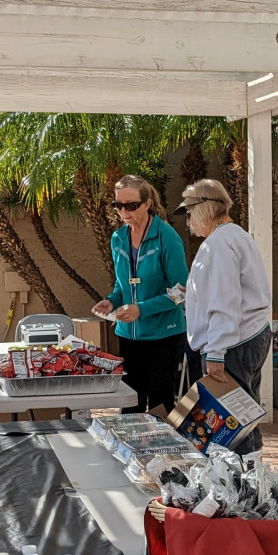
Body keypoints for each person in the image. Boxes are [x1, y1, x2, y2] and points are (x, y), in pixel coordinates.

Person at [176, 179, 272, 455]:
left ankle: (241, 478)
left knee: (231, 425)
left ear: (204, 208)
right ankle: (252, 474)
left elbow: (224, 300)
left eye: (189, 213)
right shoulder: (235, 235)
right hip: (248, 335)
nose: (188, 222)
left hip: (232, 343)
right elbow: (228, 293)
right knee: (245, 415)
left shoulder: (218, 243)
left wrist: (216, 353)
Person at [91, 175, 189, 415]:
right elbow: (123, 284)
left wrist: (141, 309)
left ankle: (162, 441)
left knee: (160, 404)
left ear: (147, 204)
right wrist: (111, 301)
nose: (124, 211)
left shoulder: (167, 237)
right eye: (118, 205)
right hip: (129, 336)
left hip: (163, 336)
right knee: (130, 403)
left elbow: (182, 291)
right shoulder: (118, 238)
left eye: (131, 205)